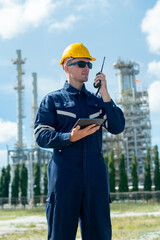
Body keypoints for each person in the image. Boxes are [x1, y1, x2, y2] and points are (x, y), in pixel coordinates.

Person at [34, 43, 125, 240]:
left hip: (95, 179)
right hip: (65, 180)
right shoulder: (53, 101)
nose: (86, 68)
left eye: (89, 65)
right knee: (61, 236)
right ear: (66, 67)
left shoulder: (98, 101)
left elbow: (117, 127)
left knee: (100, 235)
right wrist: (69, 137)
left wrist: (106, 94)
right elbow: (41, 135)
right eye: (81, 64)